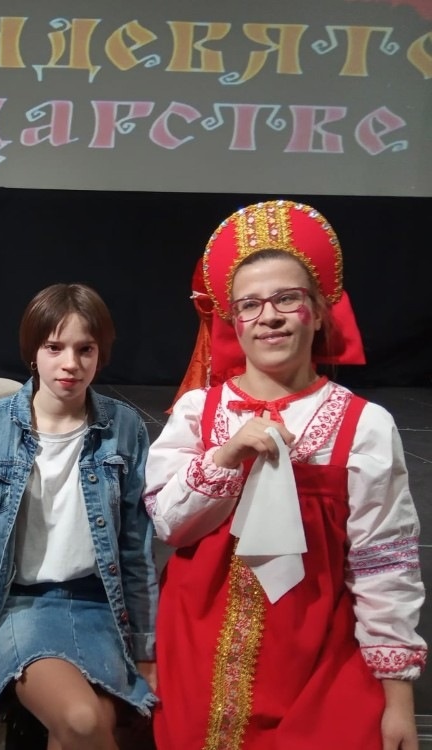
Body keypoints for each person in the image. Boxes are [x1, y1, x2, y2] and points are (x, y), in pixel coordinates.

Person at [145, 200, 425, 750]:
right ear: (232, 321)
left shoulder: (364, 424)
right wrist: (225, 457)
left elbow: (384, 562)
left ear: (318, 313)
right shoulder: (198, 412)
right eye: (249, 305)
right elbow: (169, 525)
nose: (268, 316)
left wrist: (398, 701)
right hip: (196, 650)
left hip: (316, 654)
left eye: (287, 299)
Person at [0, 283, 158, 750]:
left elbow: (136, 551)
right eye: (54, 347)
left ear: (101, 354)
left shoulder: (124, 428)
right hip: (20, 606)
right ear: (33, 351)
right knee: (81, 720)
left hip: (102, 606)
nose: (70, 363)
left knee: (86, 727)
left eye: (85, 349)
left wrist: (145, 650)